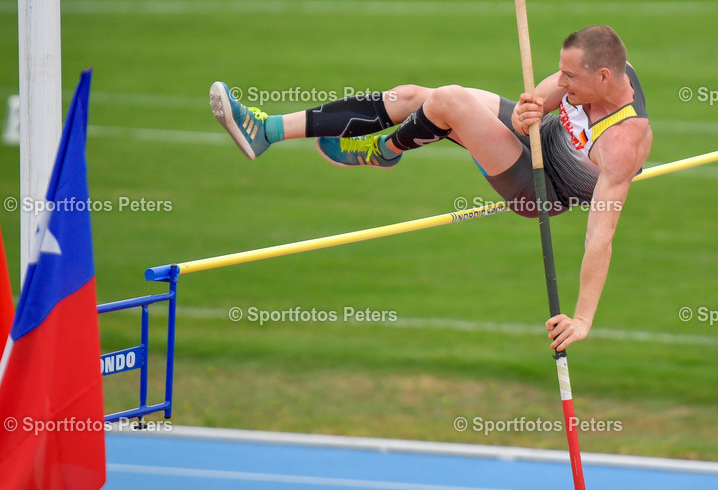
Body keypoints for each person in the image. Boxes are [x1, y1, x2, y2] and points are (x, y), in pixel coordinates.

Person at [210, 25, 652, 351]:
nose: (563, 82)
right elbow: (539, 98)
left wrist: (582, 319)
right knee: (410, 97)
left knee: (447, 101)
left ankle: (384, 150)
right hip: (535, 139)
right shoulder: (599, 74)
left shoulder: (622, 144)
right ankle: (266, 130)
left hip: (540, 188)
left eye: (571, 77)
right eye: (562, 71)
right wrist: (526, 112)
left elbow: (600, 237)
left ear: (604, 77)